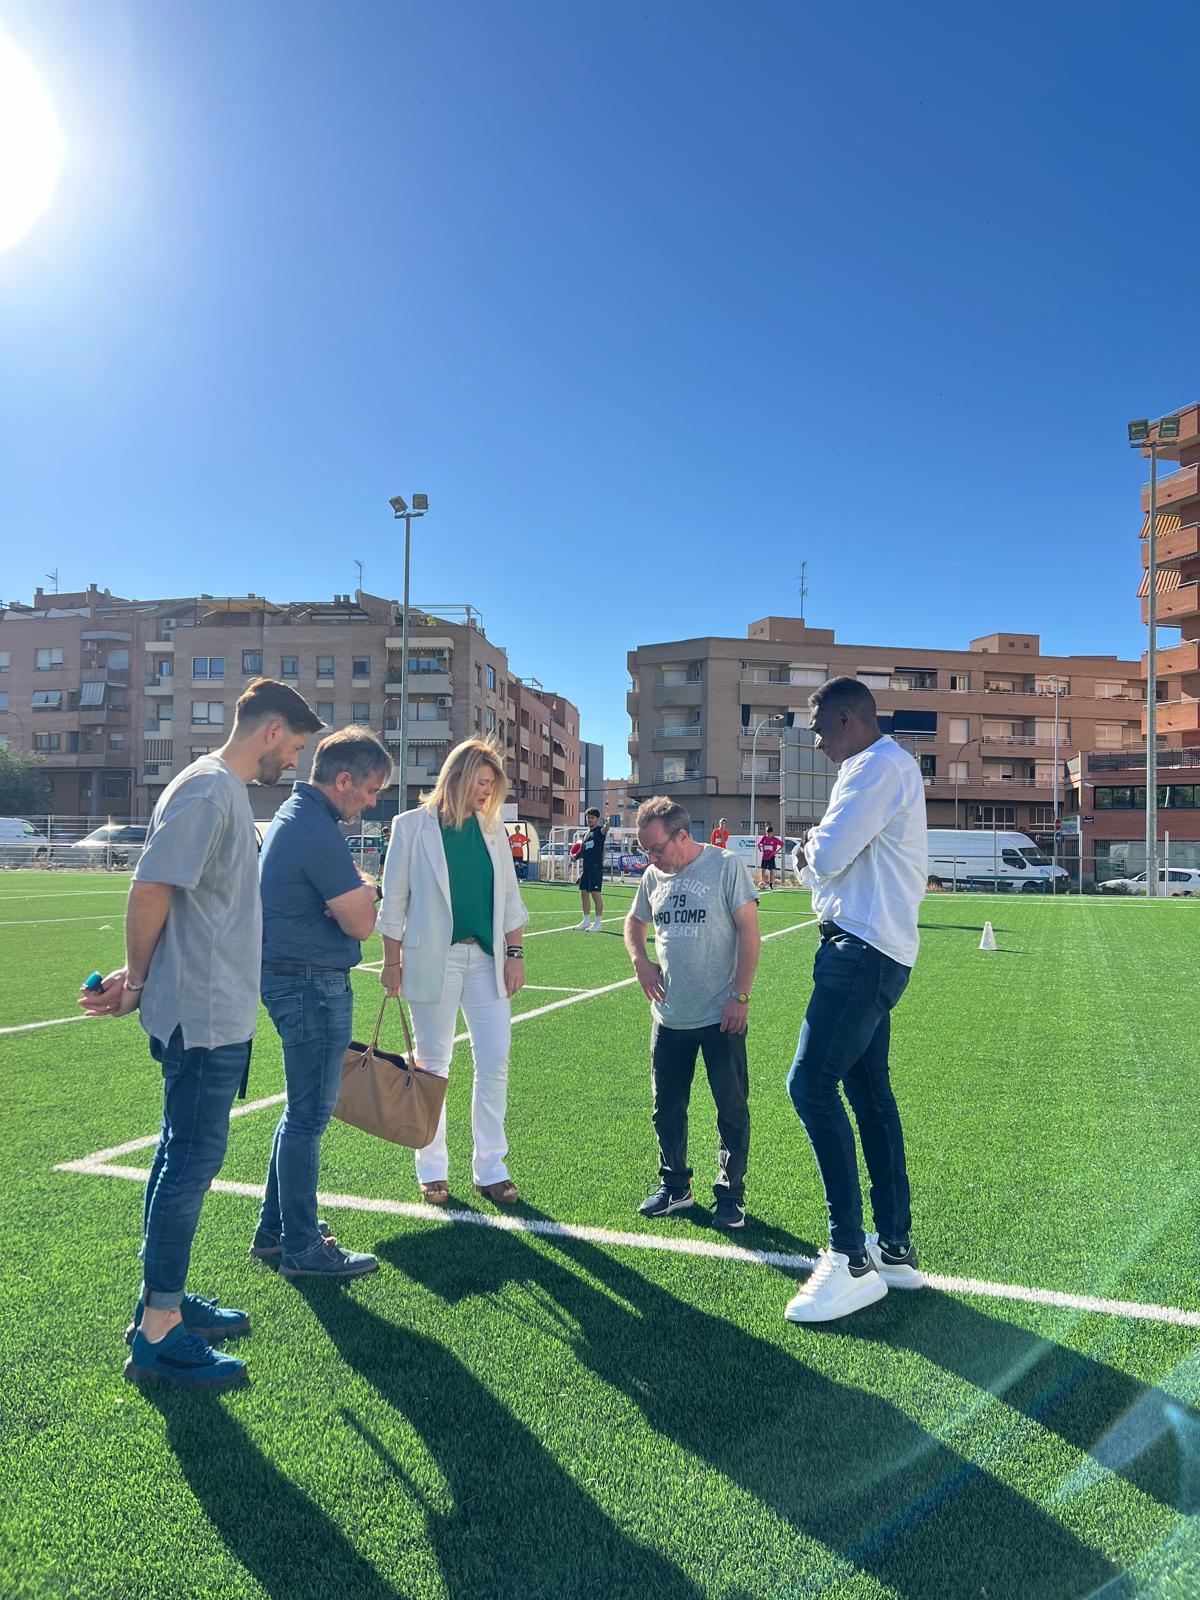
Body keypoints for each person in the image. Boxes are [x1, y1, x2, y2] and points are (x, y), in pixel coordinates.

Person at [78, 679, 323, 1390]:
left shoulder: (221, 791)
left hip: (213, 1008)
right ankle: (158, 1330)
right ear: (272, 731)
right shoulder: (210, 788)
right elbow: (151, 886)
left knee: (178, 1156)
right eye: (297, 747)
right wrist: (140, 980)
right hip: (201, 1014)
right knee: (189, 1163)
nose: (295, 763)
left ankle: (164, 1300)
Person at [782, 676, 927, 1324]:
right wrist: (816, 852)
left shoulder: (875, 768)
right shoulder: (887, 767)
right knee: (869, 1094)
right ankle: (891, 1247)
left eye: (817, 730)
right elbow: (837, 851)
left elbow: (829, 853)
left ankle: (850, 1259)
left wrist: (803, 854)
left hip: (859, 951)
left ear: (845, 719)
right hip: (875, 949)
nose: (815, 744)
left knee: (810, 1085)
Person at [250, 727, 394, 1279]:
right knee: (309, 1116)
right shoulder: (314, 827)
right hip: (311, 982)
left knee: (299, 1113)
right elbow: (361, 922)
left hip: (298, 977)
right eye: (371, 789)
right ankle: (303, 1248)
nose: (373, 800)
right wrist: (369, 892)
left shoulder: (300, 817)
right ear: (343, 780)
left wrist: (356, 893)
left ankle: (275, 1231)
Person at [377, 739, 529, 1205]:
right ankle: (432, 1167)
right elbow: (395, 899)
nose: (487, 792)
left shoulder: (493, 830)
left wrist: (515, 953)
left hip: (485, 959)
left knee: (495, 1061)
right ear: (457, 776)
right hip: (431, 960)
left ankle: (491, 1167)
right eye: (481, 782)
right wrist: (391, 960)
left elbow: (508, 898)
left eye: (492, 785)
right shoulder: (410, 827)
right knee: (432, 1065)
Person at [625, 797, 761, 1229]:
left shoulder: (725, 866)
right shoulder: (652, 876)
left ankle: (731, 1193)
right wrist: (640, 961)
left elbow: (750, 932)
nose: (651, 857)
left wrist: (740, 996)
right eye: (646, 850)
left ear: (682, 836)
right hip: (669, 1017)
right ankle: (676, 1186)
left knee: (731, 1108)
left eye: (657, 848)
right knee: (666, 1108)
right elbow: (633, 924)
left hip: (721, 1015)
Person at [574, 807, 609, 930]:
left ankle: (598, 923)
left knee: (595, 894)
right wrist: (575, 857)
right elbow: (583, 850)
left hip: (595, 868)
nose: (589, 819)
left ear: (597, 819)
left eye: (592, 818)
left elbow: (605, 830)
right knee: (583, 893)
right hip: (586, 868)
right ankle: (586, 921)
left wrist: (608, 824)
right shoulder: (586, 834)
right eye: (588, 817)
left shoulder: (600, 831)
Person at [757, 826, 784, 890]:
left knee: (772, 871)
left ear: (772, 833)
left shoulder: (775, 839)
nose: (768, 834)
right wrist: (761, 851)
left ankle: (771, 885)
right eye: (767, 833)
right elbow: (758, 844)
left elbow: (782, 844)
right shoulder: (763, 838)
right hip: (764, 857)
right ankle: (763, 884)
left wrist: (776, 852)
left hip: (771, 857)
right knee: (763, 870)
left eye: (769, 833)